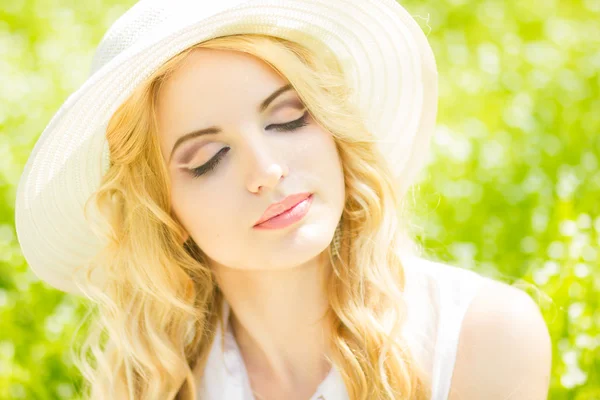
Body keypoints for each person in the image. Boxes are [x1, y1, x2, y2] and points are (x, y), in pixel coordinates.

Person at [14, 0, 552, 399]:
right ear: (164, 208)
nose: (267, 171)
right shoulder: (150, 380)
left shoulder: (478, 337)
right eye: (208, 158)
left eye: (289, 118)